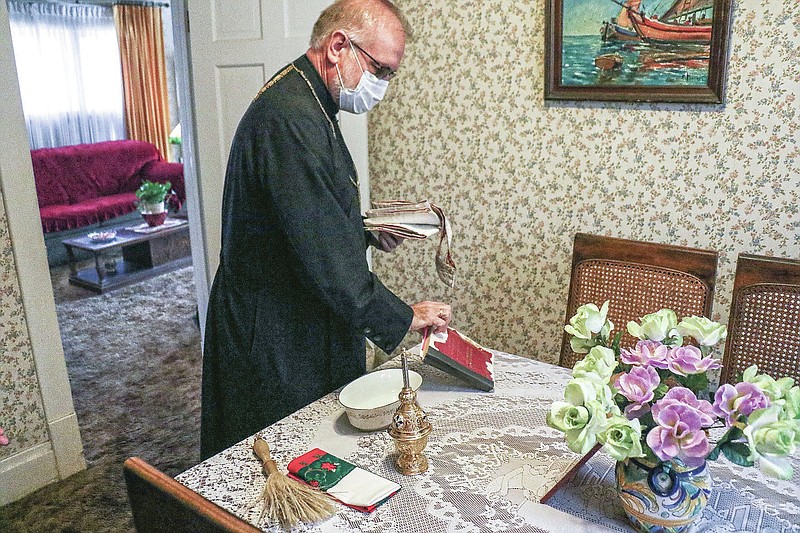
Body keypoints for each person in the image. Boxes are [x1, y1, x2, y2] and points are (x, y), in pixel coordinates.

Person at [200, 0, 452, 459]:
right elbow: (323, 256)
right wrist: (404, 316)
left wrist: (366, 231)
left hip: (292, 315)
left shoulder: (309, 99)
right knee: (280, 459)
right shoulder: (291, 118)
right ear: (339, 46)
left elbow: (301, 218)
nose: (382, 86)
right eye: (381, 70)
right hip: (274, 331)